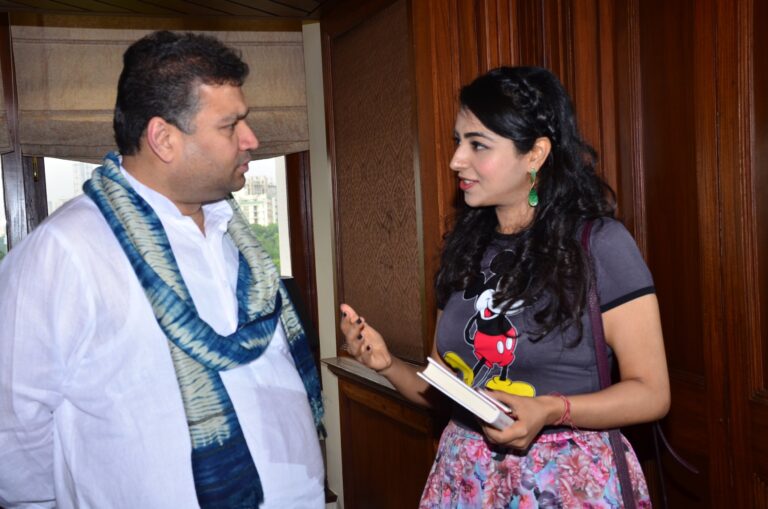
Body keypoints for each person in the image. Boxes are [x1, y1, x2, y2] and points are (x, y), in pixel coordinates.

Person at [0, 31, 325, 509]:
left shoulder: (235, 235)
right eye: (230, 125)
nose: (251, 140)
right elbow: (13, 433)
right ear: (164, 138)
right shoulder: (65, 252)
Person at [340, 66, 670, 508]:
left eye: (478, 144)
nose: (457, 159)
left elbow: (652, 392)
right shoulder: (464, 248)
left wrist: (554, 409)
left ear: (535, 154)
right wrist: (385, 365)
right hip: (466, 480)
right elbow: (445, 392)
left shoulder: (601, 245)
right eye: (459, 141)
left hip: (567, 483)